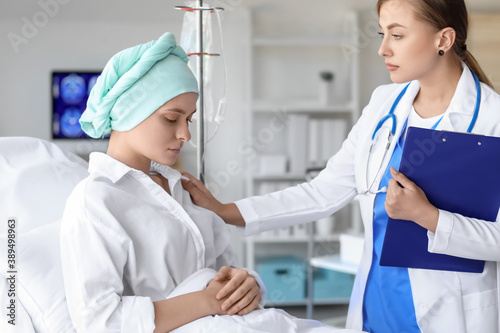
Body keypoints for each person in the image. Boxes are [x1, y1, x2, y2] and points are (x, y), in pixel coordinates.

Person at [181, 1, 500, 332]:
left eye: (398, 35)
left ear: (443, 40)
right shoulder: (383, 104)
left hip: (449, 314)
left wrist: (427, 216)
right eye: (382, 33)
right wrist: (224, 210)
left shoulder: (492, 121)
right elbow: (322, 192)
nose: (382, 48)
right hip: (377, 305)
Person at [60, 32, 266, 333]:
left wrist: (247, 284)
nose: (186, 135)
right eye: (171, 118)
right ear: (129, 111)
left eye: (189, 120)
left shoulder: (184, 189)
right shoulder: (96, 200)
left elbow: (224, 272)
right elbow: (99, 322)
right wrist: (207, 302)